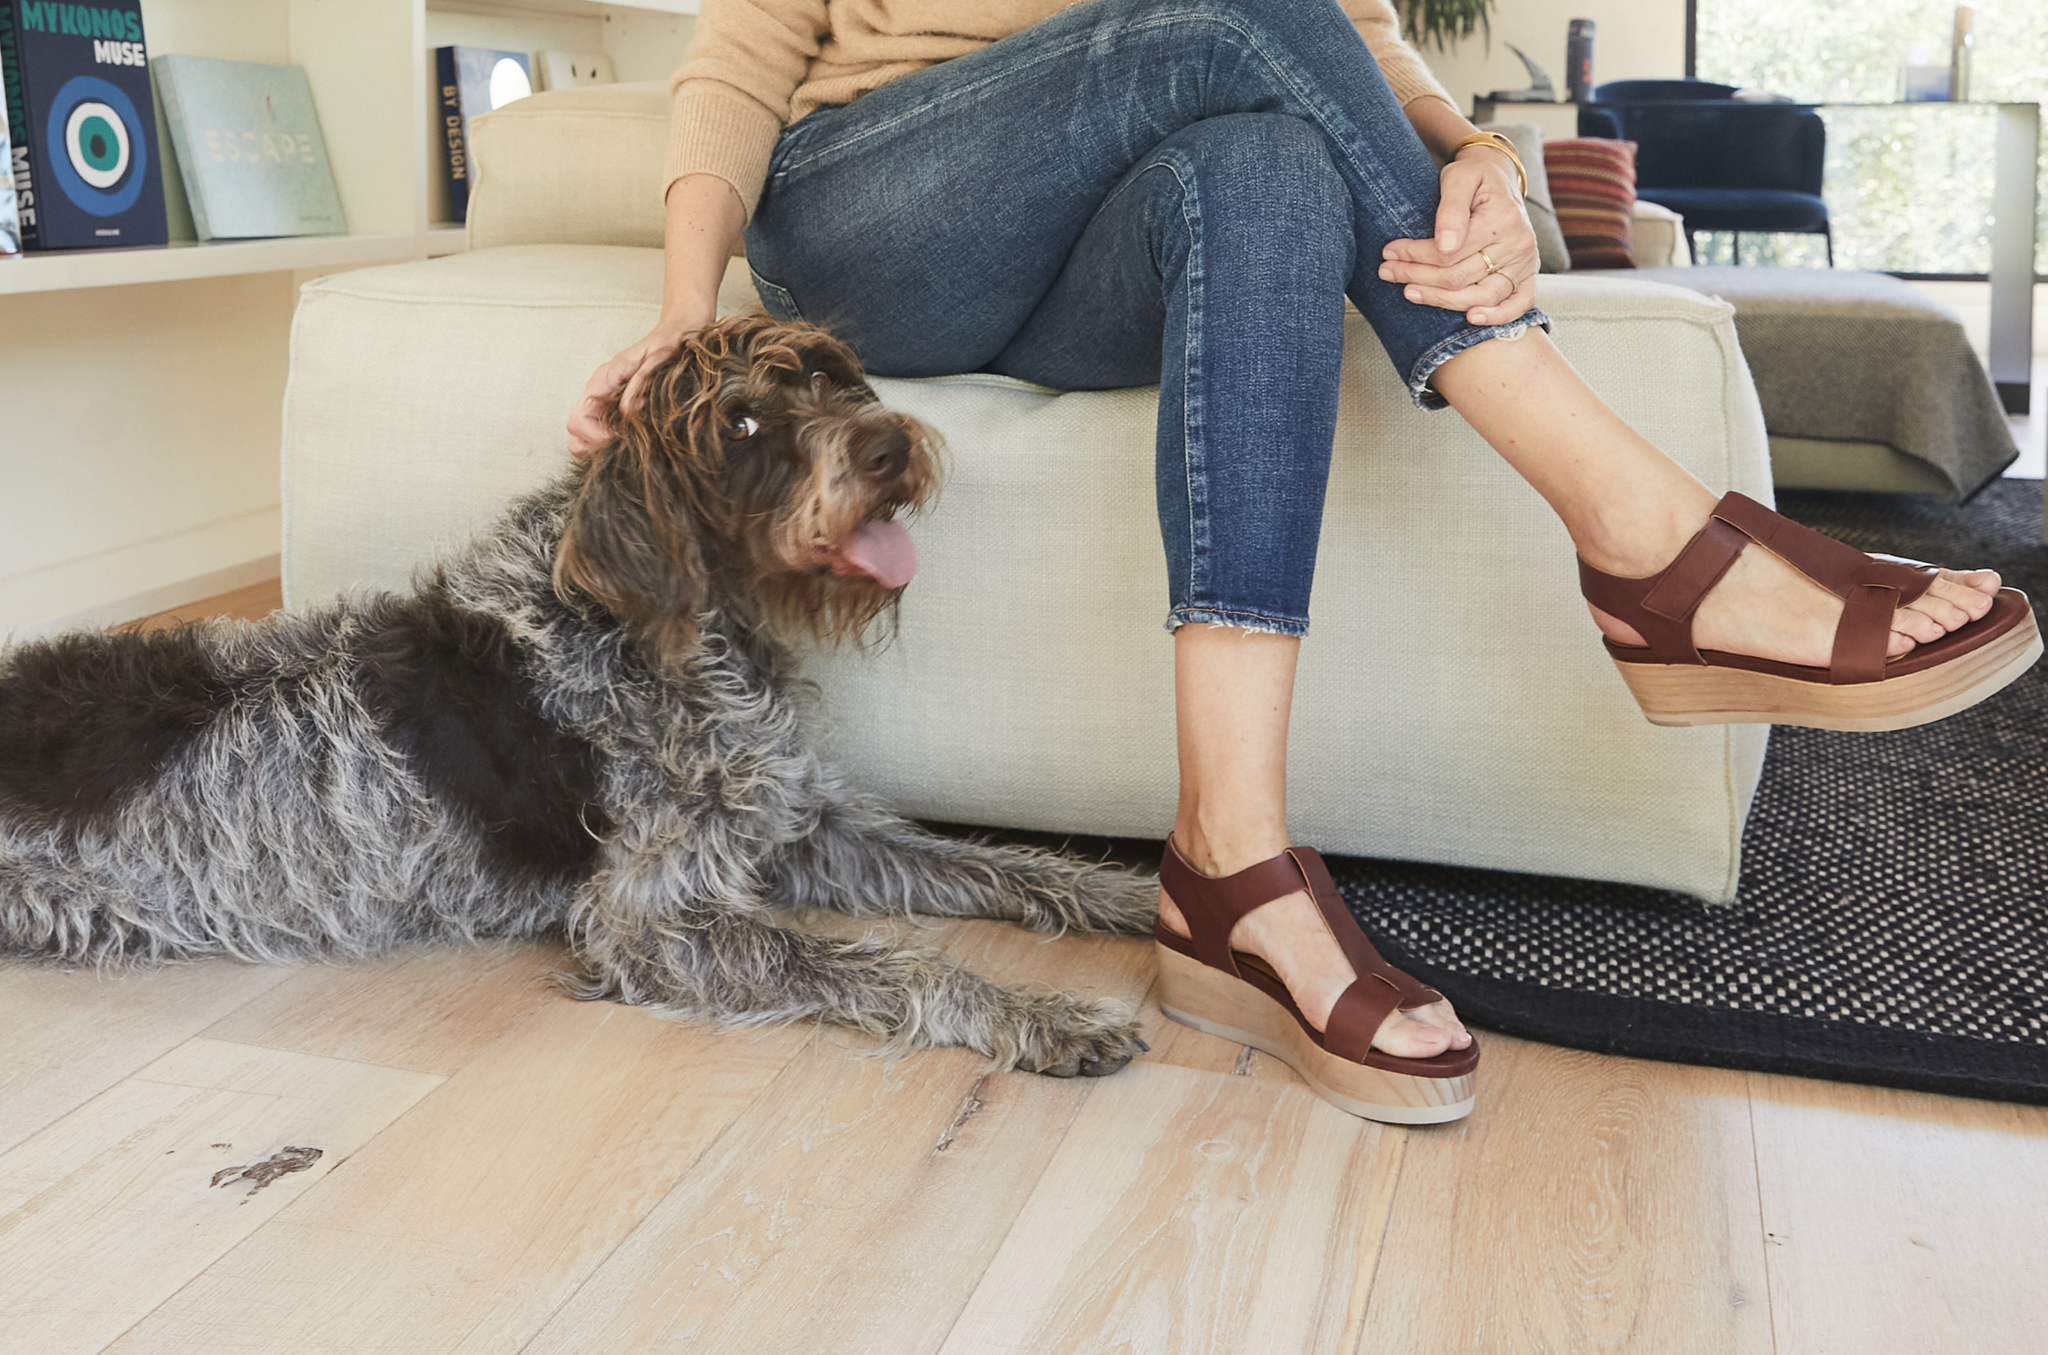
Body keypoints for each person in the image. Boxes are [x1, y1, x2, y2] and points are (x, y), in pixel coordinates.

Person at [567, 0, 2028, 1122]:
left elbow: (1360, 33)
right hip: (881, 202)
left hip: (1098, 242)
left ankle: (1232, 870)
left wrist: (1477, 164)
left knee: (1267, 170)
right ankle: (1649, 539)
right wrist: (688, 317)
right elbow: (744, 44)